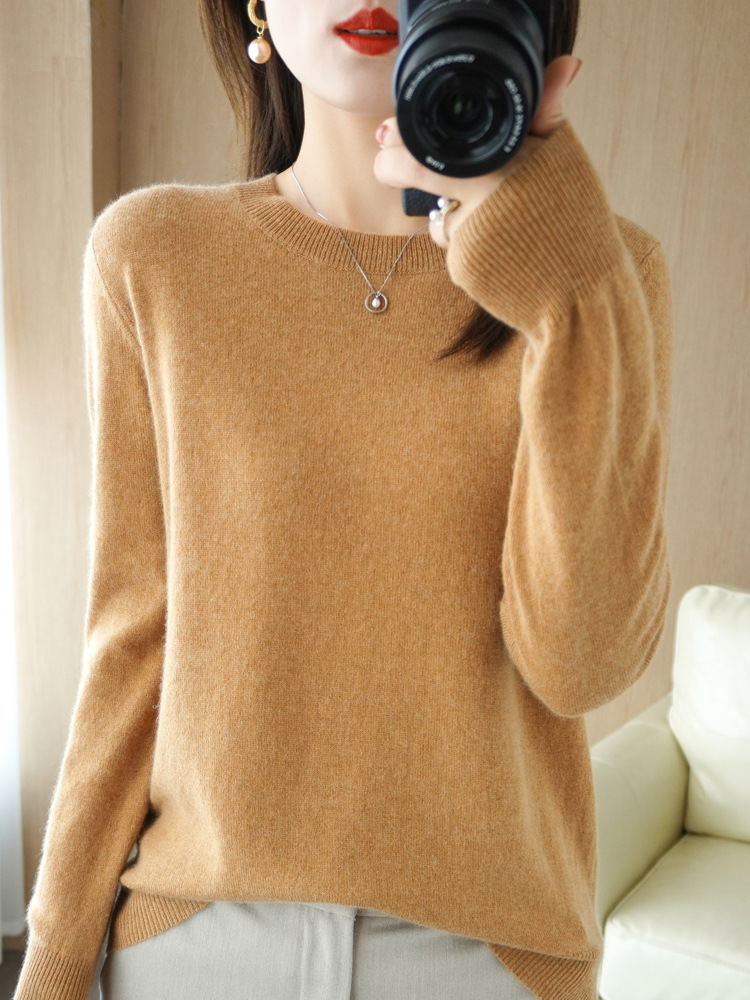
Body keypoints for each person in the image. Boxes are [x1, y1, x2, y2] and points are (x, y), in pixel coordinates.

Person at [13, 1, 673, 999]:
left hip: (483, 961)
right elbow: (130, 642)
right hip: (192, 947)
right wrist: (57, 959)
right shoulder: (153, 255)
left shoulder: (600, 277)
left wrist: (571, 299)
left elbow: (584, 663)